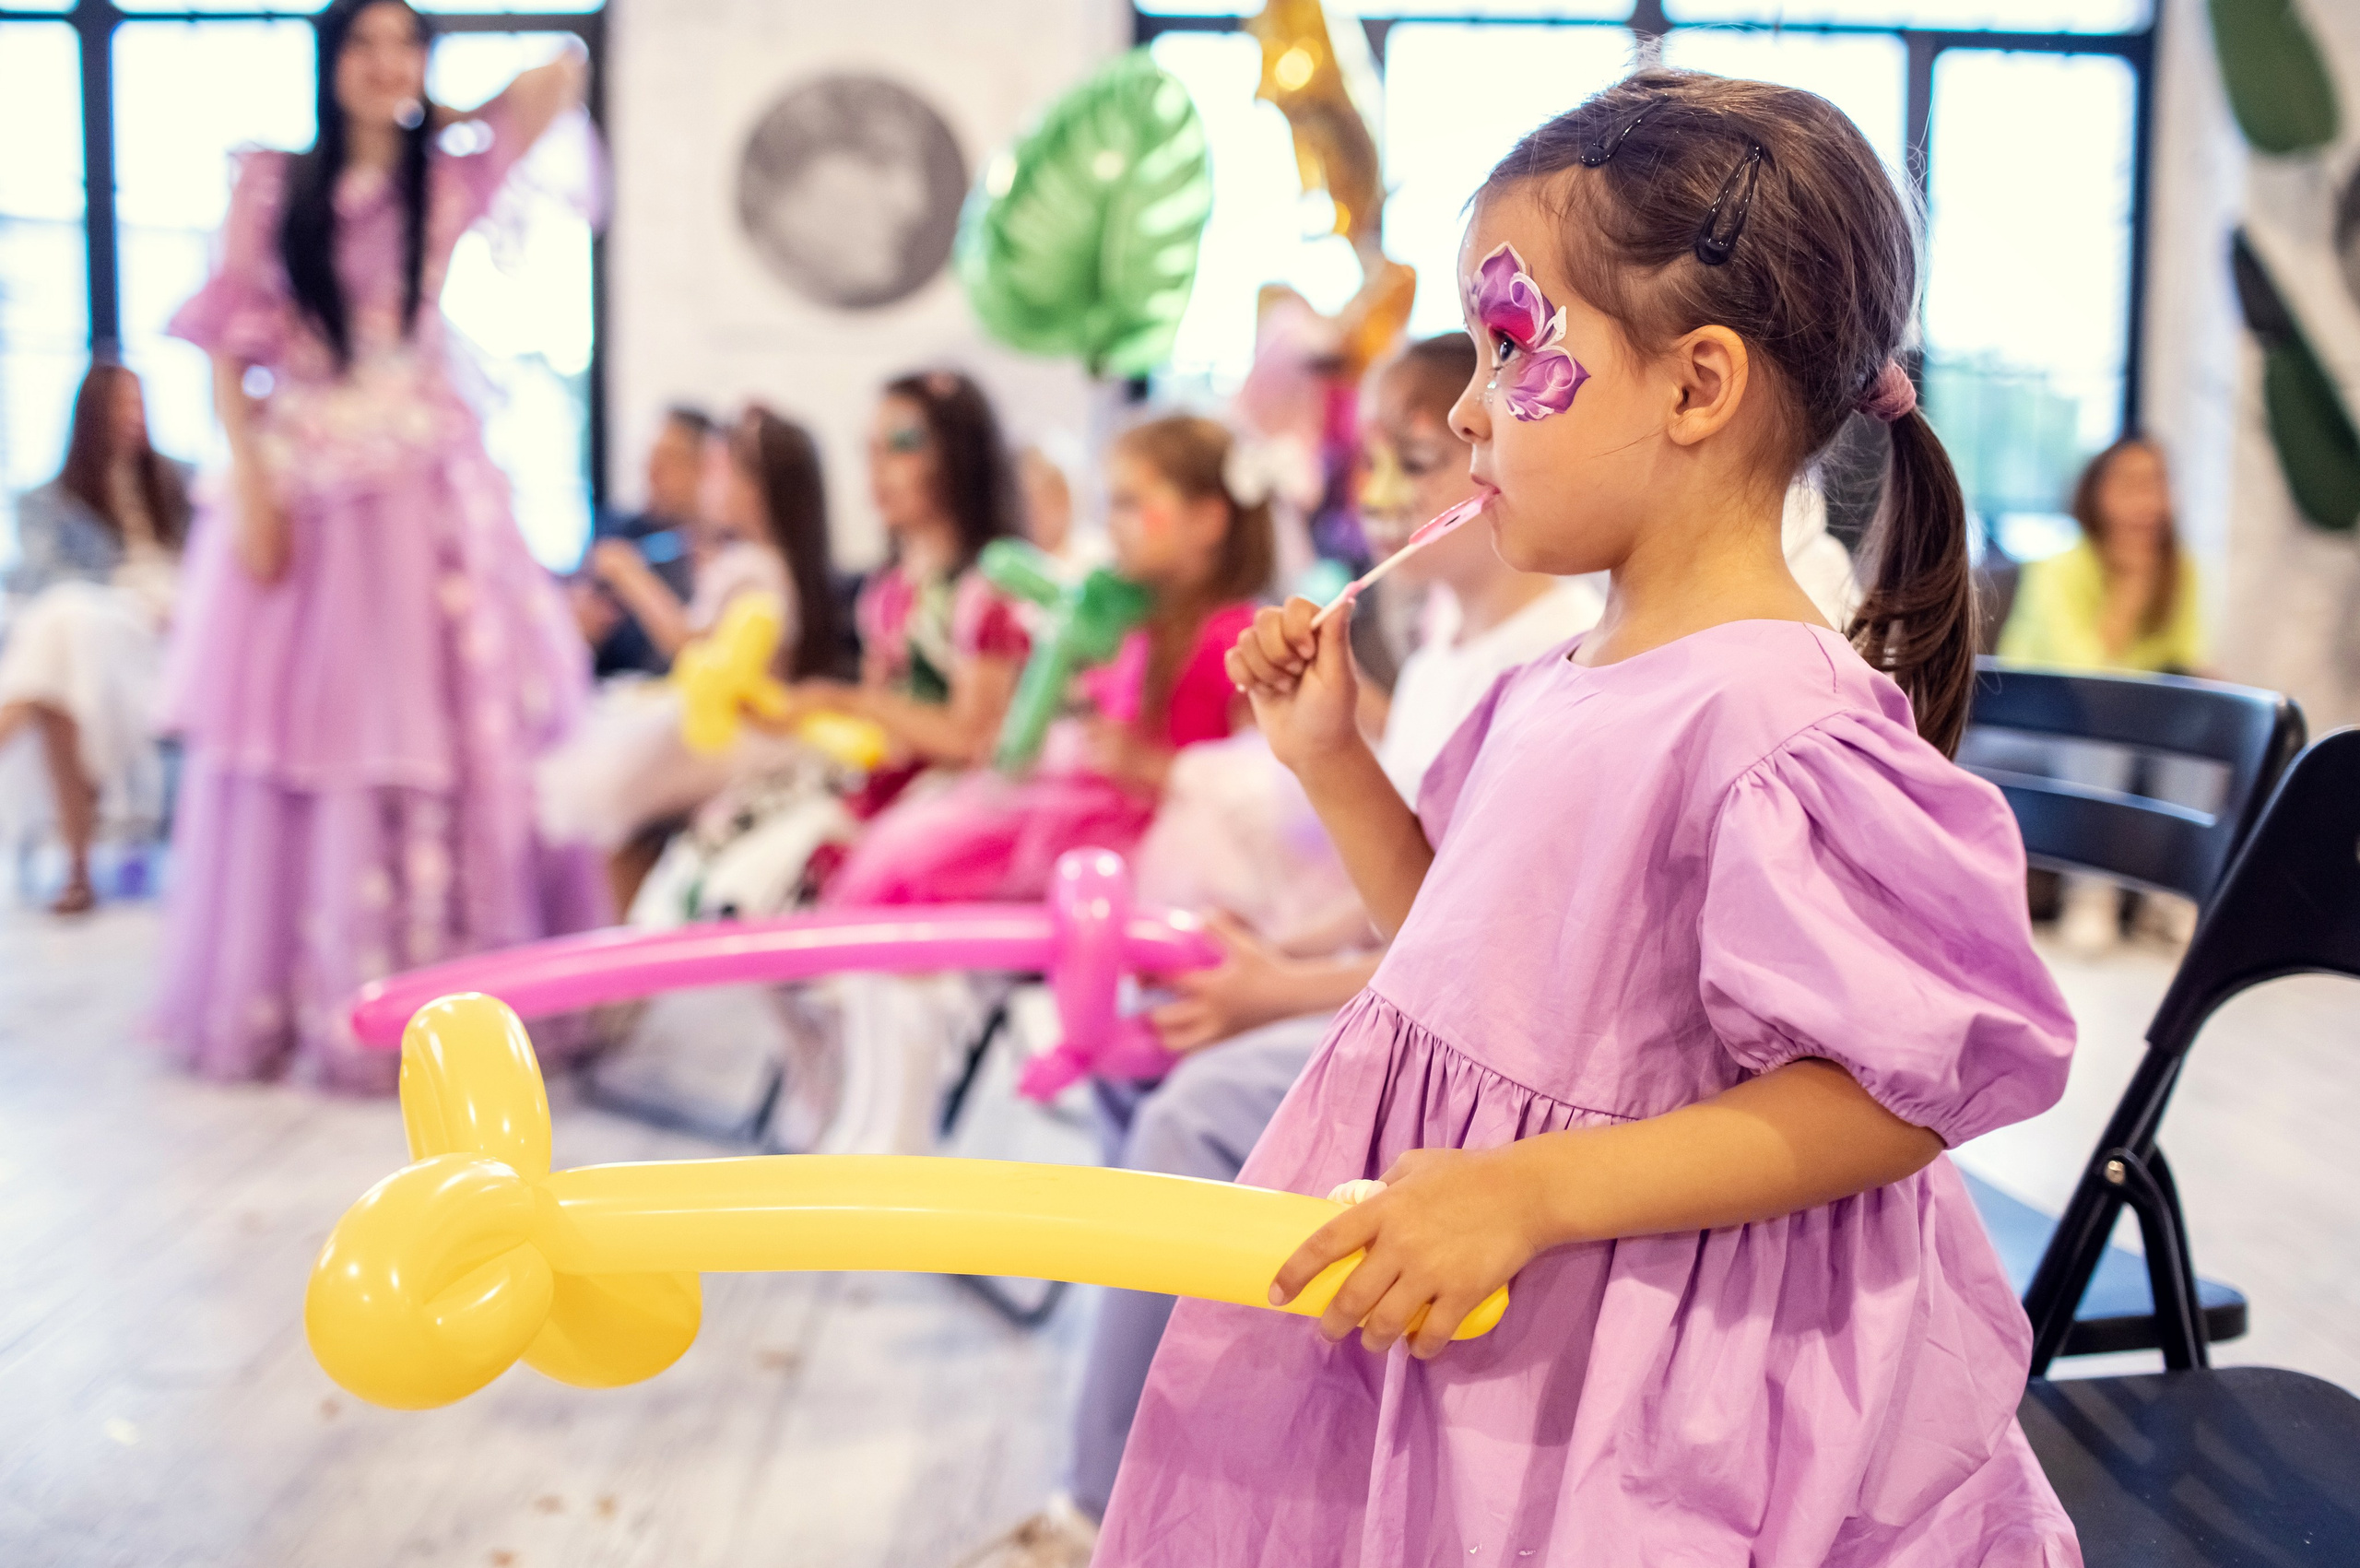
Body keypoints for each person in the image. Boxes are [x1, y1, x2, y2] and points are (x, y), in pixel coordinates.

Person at [1097, 72, 2080, 1566]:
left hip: (1656, 1373)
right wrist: (1333, 759)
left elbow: (1886, 1100)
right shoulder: (1556, 680)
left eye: (1510, 346)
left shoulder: (1773, 723)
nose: (1466, 409)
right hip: (1520, 1303)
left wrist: (1537, 1189)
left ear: (1696, 387)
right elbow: (1457, 957)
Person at [956, 332, 1604, 1568]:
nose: (1390, 490)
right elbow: (1413, 892)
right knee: (1141, 1046)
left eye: (1424, 455)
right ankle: (1171, 1418)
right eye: (1387, 457)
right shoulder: (1446, 646)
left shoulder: (1548, 656)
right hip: (1395, 987)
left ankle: (1099, 1505)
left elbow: (1484, 954)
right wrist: (1273, 950)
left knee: (1187, 1114)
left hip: (1464, 1044)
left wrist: (1279, 989)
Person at [153, 0, 604, 1087]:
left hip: (424, 495)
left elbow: (563, 69)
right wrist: (251, 484)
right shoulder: (272, 183)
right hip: (307, 492)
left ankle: (444, 991)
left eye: (407, 44)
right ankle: (305, 996)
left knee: (441, 732)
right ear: (329, 58)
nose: (385, 62)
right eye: (365, 43)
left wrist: (436, 113)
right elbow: (229, 351)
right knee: (301, 736)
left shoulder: (443, 176)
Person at [818, 414, 1270, 907]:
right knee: (912, 840)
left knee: (924, 857)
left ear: (1207, 520)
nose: (1111, 523)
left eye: (1129, 503)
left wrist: (1148, 765)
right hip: (1093, 809)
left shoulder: (1235, 639)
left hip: (1154, 848)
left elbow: (1259, 785)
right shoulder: (1142, 622)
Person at [536, 406, 842, 909]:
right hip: (722, 722)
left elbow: (690, 645)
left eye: (720, 471)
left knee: (611, 798)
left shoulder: (754, 567)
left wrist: (632, 576)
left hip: (737, 728)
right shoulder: (748, 563)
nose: (708, 485)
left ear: (757, 488)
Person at [1997, 435, 2206, 950]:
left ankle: (2171, 901)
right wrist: (2130, 593)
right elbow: (2087, 679)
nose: (2145, 501)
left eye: (2155, 484)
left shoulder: (2182, 572)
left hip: (2131, 726)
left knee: (2197, 746)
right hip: (2035, 723)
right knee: (2101, 739)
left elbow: (2187, 668)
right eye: (2129, 484)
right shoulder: (2060, 569)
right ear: (2097, 493)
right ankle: (2090, 897)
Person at [0, 362, 189, 914]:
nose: (134, 417)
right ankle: (78, 873)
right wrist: (125, 588)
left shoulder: (179, 483)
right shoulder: (47, 500)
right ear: (91, 414)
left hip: (165, 637)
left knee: (59, 642)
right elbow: (43, 579)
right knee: (71, 627)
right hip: (93, 625)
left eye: (139, 404)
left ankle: (78, 874)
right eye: (121, 405)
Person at [574, 405, 713, 677]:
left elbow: (705, 652)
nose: (653, 472)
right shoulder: (617, 535)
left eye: (670, 460)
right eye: (650, 458)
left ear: (707, 469)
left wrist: (631, 575)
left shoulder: (732, 555)